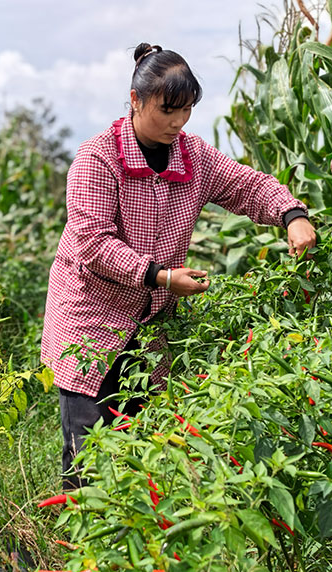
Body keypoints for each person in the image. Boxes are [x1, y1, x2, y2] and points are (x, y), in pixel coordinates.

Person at [41, 42, 316, 488]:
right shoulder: (99, 159)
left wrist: (291, 215)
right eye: (168, 110)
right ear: (135, 100)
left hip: (150, 324)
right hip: (90, 319)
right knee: (89, 456)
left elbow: (248, 186)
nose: (177, 122)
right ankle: (77, 553)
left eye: (186, 110)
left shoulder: (193, 156)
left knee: (142, 450)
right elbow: (92, 243)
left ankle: (132, 554)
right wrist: (162, 277)